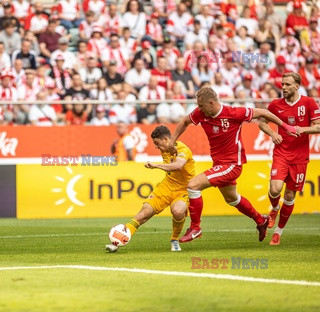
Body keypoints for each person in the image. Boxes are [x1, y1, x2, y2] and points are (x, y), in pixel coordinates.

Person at [168, 87, 298, 243]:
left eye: (201, 106)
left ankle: (196, 228)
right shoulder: (201, 113)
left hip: (232, 165)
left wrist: (285, 127)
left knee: (193, 185)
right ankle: (260, 220)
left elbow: (264, 113)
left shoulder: (234, 113)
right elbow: (184, 121)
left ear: (211, 103)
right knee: (232, 198)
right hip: (219, 164)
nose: (199, 109)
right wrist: (172, 141)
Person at [106, 125, 195, 253]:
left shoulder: (182, 149)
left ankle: (174, 239)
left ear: (165, 139)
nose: (156, 146)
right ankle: (118, 240)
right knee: (144, 212)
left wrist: (156, 165)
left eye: (157, 143)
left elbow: (179, 166)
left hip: (184, 189)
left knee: (178, 211)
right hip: (166, 186)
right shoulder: (165, 149)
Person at [259, 72, 320, 245]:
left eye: (287, 85)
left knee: (290, 195)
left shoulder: (308, 103)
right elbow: (262, 122)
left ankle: (278, 232)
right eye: (282, 84)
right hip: (281, 153)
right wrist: (272, 133)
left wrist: (303, 129)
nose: (283, 87)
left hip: (300, 158)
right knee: (275, 188)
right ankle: (274, 209)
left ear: (296, 86)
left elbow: (318, 127)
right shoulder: (275, 104)